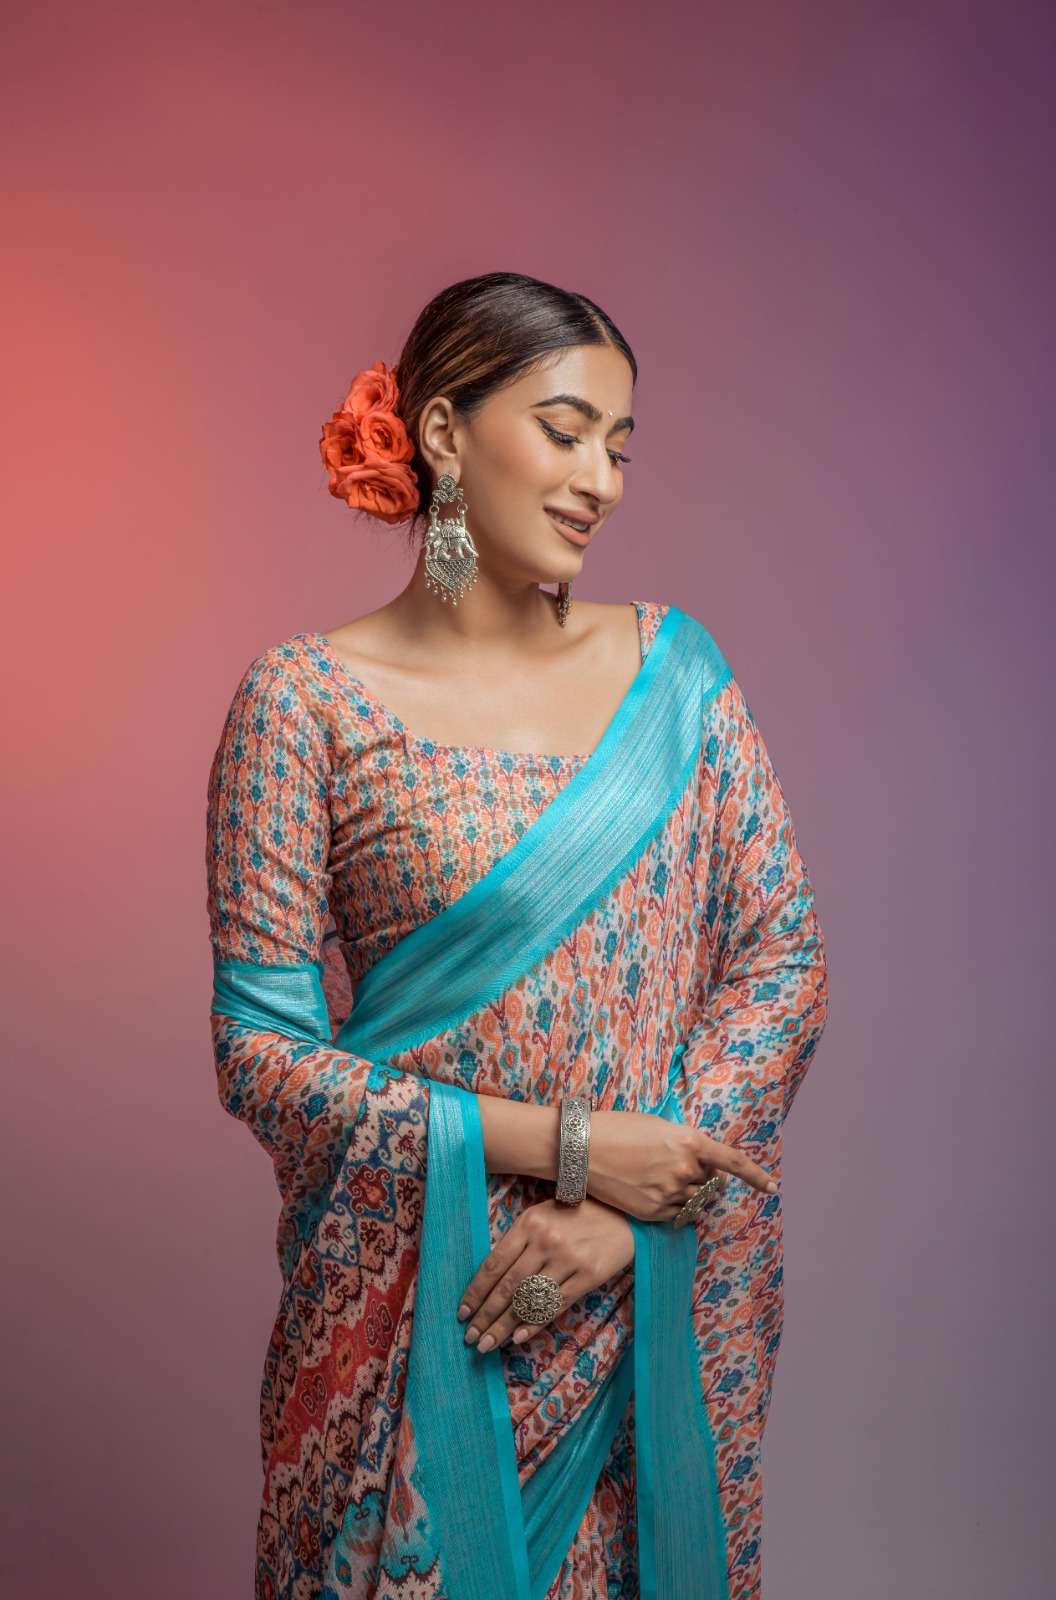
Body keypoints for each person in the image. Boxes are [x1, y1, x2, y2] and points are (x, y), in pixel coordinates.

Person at [204, 269, 830, 1600]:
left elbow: (778, 958)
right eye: (564, 432)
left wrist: (636, 1221)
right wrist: (577, 1152)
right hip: (423, 1317)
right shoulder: (304, 704)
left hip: (636, 1304)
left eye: (619, 447)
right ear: (443, 431)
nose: (600, 481)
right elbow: (261, 1055)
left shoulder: (675, 678)